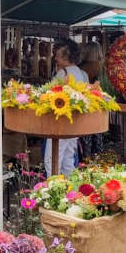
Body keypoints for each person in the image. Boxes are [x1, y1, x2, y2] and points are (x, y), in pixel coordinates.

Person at [44, 41, 88, 177]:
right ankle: (70, 190)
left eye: (57, 55)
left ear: (66, 56)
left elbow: (49, 94)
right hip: (74, 124)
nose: (55, 59)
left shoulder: (63, 73)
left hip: (60, 123)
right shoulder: (81, 73)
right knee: (68, 160)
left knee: (52, 159)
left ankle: (53, 189)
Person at [79, 42, 105, 159]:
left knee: (85, 136)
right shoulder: (98, 66)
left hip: (84, 103)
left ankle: (85, 158)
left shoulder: (81, 67)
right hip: (96, 103)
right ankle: (96, 159)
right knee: (96, 135)